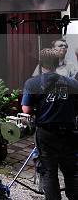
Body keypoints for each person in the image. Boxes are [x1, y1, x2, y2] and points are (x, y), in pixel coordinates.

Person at [22, 47, 78, 200]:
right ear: (58, 63)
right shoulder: (73, 83)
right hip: (70, 133)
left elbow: (26, 109)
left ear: (41, 64)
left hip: (47, 134)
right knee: (71, 171)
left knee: (49, 171)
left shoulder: (33, 83)